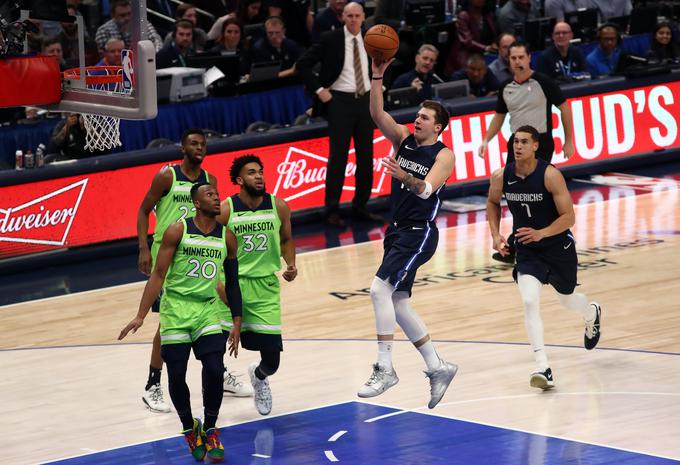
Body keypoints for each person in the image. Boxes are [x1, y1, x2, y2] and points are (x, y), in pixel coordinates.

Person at [358, 56, 458, 409]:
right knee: (397, 302)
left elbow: (427, 190)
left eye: (425, 118)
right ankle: (437, 366)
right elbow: (377, 114)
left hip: (419, 233)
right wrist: (377, 75)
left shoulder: (444, 155)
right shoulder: (402, 138)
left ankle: (385, 368)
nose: (417, 119)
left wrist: (405, 177)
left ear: (439, 127)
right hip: (397, 230)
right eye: (417, 115)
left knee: (378, 290)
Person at [119, 182, 243, 462]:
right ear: (197, 203)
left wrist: (236, 320)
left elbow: (232, 283)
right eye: (209, 195)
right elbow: (159, 274)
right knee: (176, 375)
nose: (216, 198)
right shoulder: (179, 229)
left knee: (213, 369)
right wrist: (140, 314)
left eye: (217, 194)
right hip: (175, 309)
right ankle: (189, 427)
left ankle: (210, 428)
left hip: (208, 309)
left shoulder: (228, 237)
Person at [136, 129, 251, 414]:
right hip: (169, 254)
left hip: (201, 251)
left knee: (218, 305)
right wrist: (142, 247)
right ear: (182, 148)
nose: (199, 147)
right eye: (194, 143)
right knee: (170, 322)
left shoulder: (209, 181)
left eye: (203, 144)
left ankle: (217, 370)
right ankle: (153, 384)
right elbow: (143, 210)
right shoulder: (167, 177)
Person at [485, 125, 602, 390]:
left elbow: (569, 218)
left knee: (568, 299)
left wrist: (542, 233)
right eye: (516, 141)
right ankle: (542, 366)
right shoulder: (501, 176)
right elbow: (492, 202)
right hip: (527, 249)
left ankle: (590, 313)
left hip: (557, 246)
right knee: (529, 300)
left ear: (536, 146)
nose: (518, 146)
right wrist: (495, 234)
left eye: (525, 142)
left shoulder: (550, 175)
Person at [216, 155, 297, 416]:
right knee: (213, 352)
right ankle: (211, 410)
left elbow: (286, 239)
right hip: (232, 284)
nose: (259, 176)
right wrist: (218, 285)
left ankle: (259, 376)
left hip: (264, 288)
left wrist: (291, 263)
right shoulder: (226, 210)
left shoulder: (279, 206)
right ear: (239, 180)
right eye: (252, 173)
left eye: (261, 171)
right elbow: (209, 245)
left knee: (272, 360)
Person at [478, 41, 574, 263]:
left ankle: (546, 236)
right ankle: (518, 242)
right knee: (514, 194)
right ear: (508, 60)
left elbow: (565, 108)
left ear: (530, 57)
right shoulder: (505, 87)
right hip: (517, 142)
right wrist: (486, 139)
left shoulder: (544, 82)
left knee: (537, 191)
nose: (518, 62)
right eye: (513, 58)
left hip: (541, 141)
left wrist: (569, 140)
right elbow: (500, 116)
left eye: (521, 57)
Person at [296, 2, 381, 228]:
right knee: (338, 158)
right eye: (349, 15)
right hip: (339, 102)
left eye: (357, 16)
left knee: (366, 157)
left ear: (364, 17)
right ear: (343, 17)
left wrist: (381, 87)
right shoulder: (330, 38)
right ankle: (332, 210)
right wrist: (319, 90)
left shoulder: (372, 38)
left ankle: (360, 206)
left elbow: (385, 64)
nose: (353, 19)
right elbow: (303, 65)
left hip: (365, 101)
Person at [444, 0, 498, 75]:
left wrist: (495, 44)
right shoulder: (464, 15)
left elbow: (494, 35)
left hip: (485, 57)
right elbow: (467, 41)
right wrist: (486, 48)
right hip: (466, 58)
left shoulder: (488, 15)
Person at [95, 0, 162, 54]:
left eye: (129, 14)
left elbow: (157, 41)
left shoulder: (142, 23)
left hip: (142, 62)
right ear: (113, 15)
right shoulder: (103, 30)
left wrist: (151, 56)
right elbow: (104, 56)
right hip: (117, 67)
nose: (127, 18)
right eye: (122, 15)